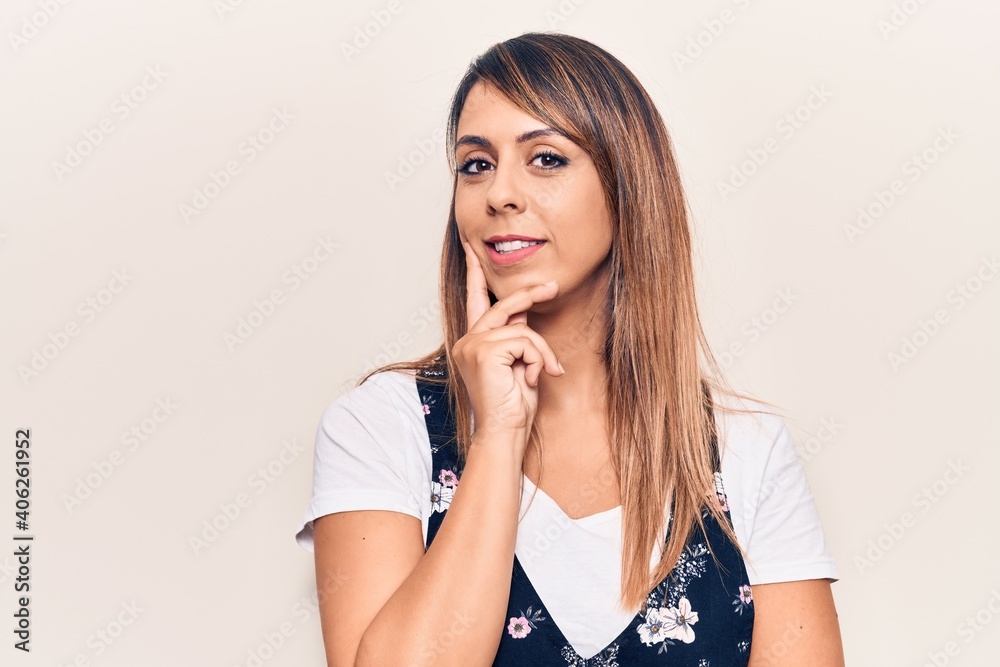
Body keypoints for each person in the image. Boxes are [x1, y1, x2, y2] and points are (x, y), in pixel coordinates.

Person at [295, 31, 845, 666]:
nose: (499, 193)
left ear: (626, 187)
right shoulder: (380, 426)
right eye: (476, 164)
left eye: (546, 159)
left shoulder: (747, 451)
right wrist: (500, 435)